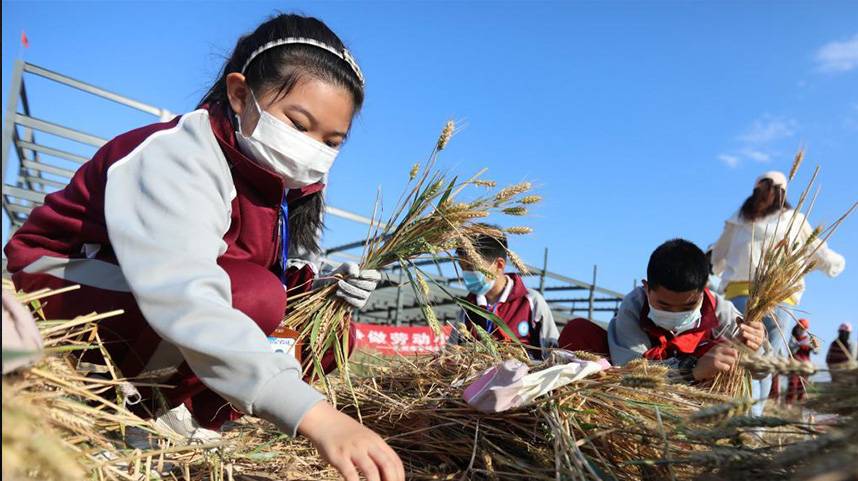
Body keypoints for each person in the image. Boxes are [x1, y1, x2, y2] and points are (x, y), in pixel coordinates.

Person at [3, 14, 404, 481]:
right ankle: (129, 406)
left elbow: (253, 266)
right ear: (239, 94)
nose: (313, 149)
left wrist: (324, 289)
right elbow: (184, 289)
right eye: (298, 125)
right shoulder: (178, 155)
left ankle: (193, 415)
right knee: (252, 296)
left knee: (326, 326)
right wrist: (315, 416)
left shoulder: (282, 190)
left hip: (155, 289)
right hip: (69, 281)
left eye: (331, 141)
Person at [710, 171, 845, 411]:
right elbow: (821, 254)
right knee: (765, 364)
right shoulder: (794, 219)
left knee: (740, 360)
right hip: (780, 300)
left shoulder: (739, 221)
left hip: (739, 298)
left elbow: (716, 259)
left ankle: (739, 417)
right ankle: (754, 423)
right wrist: (836, 264)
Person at [607, 239, 765, 383]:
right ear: (647, 288)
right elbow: (630, 373)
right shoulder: (634, 306)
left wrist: (754, 349)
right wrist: (691, 371)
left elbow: (762, 371)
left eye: (688, 307)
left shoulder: (720, 310)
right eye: (664, 306)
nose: (675, 313)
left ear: (704, 291)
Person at [449, 226, 559, 359]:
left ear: (499, 265)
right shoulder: (466, 308)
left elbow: (554, 355)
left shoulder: (531, 302)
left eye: (471, 267)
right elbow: (450, 355)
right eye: (463, 268)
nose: (466, 274)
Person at [786, 319, 819, 404]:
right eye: (800, 328)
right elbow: (791, 350)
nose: (801, 330)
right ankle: (789, 403)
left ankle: (799, 403)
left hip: (805, 366)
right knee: (793, 384)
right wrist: (799, 344)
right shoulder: (793, 339)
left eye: (804, 329)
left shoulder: (808, 340)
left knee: (802, 385)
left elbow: (816, 352)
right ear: (797, 328)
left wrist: (815, 346)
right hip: (794, 365)